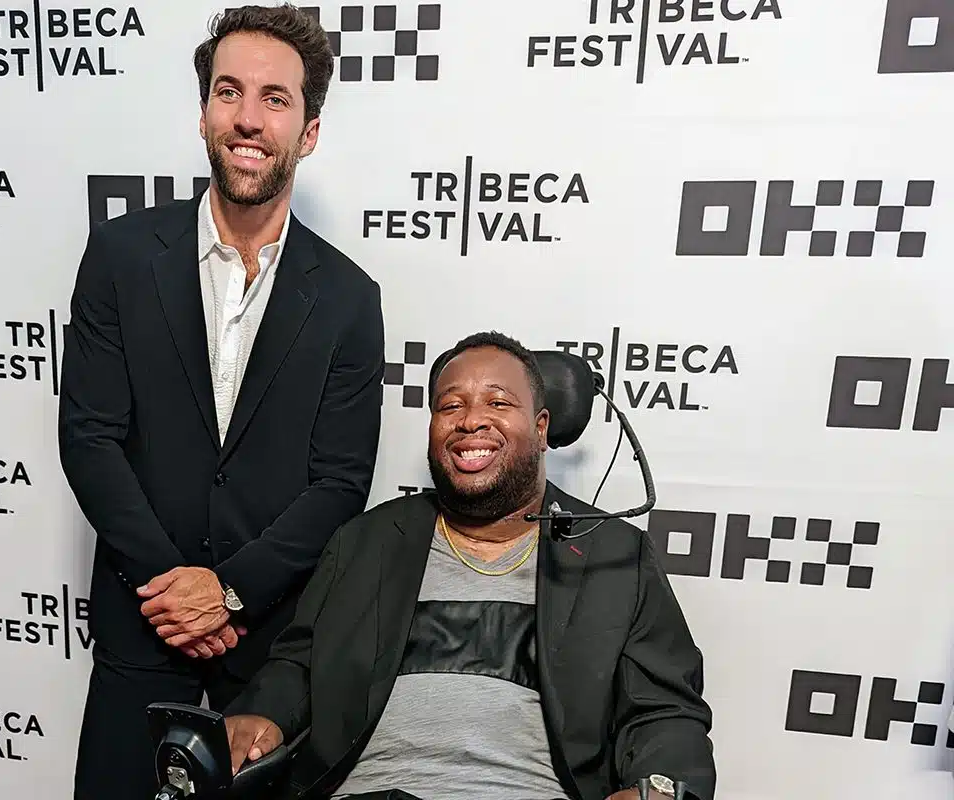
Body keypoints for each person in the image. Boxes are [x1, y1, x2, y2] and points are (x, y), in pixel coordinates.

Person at [57, 5, 385, 798]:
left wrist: (229, 591)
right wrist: (177, 586)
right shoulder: (122, 254)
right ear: (203, 112)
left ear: (308, 131)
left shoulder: (347, 297)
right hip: (145, 618)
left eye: (276, 99)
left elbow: (340, 482)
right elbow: (90, 438)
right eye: (229, 93)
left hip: (270, 641)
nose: (248, 118)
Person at [222, 332, 717, 800]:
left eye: (498, 403)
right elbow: (300, 664)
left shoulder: (615, 555)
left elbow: (665, 711)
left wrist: (660, 784)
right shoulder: (366, 541)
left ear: (541, 428)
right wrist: (262, 714)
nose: (470, 421)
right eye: (450, 405)